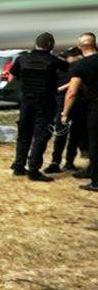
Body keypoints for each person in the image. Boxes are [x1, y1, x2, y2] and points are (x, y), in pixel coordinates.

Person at [7, 33, 68, 181]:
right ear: (50, 45)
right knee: (41, 135)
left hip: (26, 102)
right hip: (45, 103)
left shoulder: (22, 58)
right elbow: (67, 68)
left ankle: (19, 166)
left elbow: (11, 77)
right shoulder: (53, 60)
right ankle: (34, 169)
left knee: (24, 133)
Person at [60, 33, 98, 192]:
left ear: (80, 47)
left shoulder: (81, 66)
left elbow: (72, 92)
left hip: (95, 106)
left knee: (95, 143)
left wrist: (64, 113)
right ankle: (91, 170)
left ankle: (96, 181)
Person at [45, 47, 88, 173]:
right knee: (72, 134)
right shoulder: (77, 68)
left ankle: (59, 162)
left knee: (64, 134)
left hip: (66, 103)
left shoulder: (62, 68)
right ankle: (64, 162)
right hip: (74, 102)